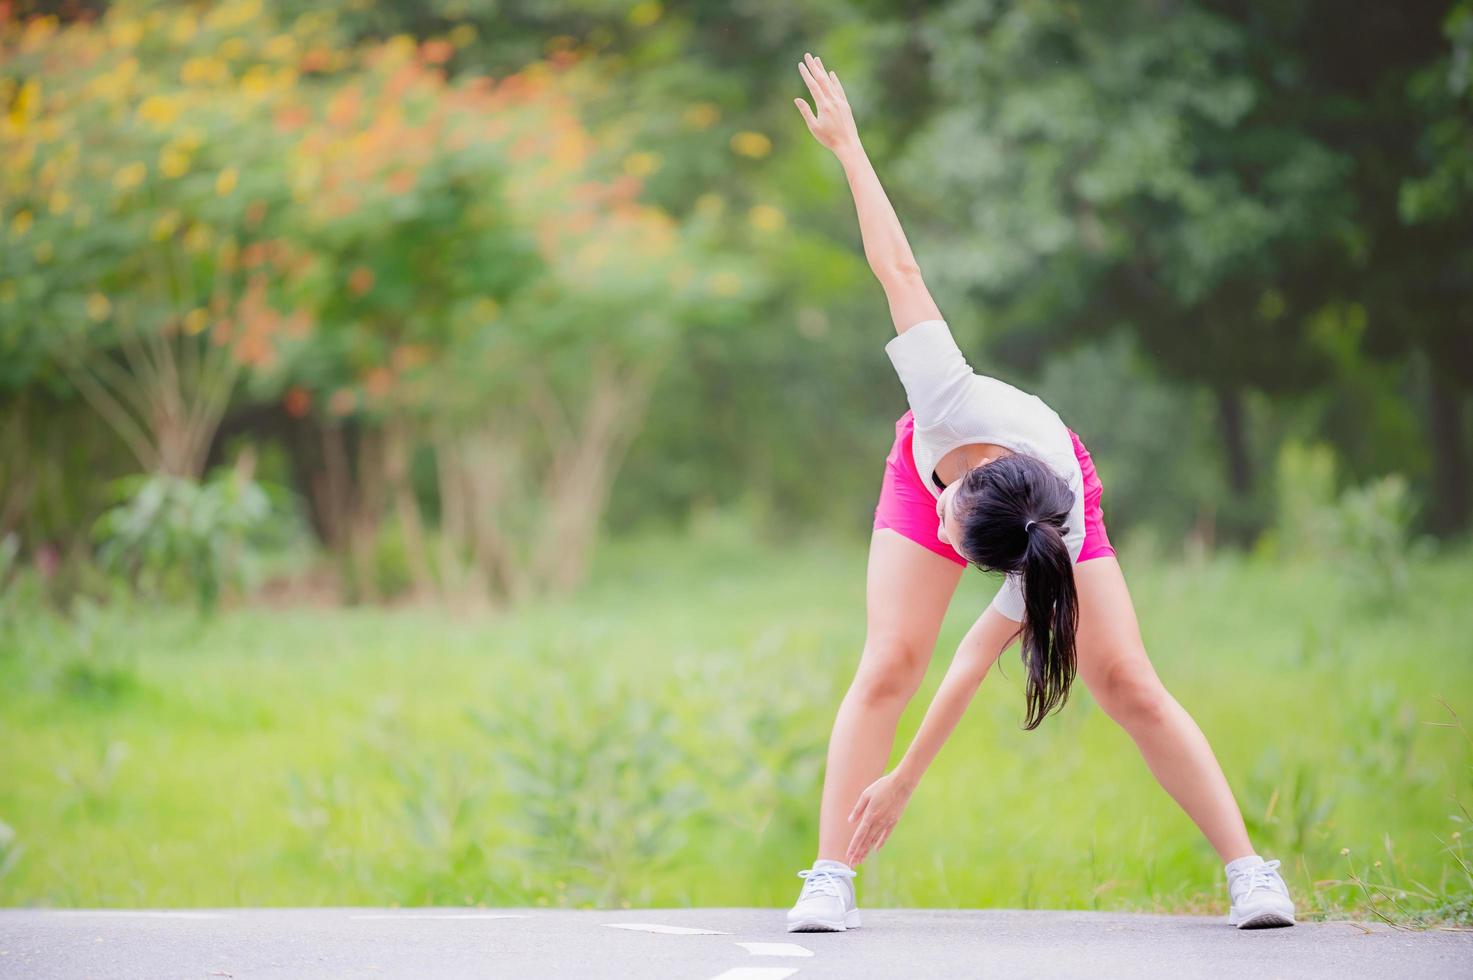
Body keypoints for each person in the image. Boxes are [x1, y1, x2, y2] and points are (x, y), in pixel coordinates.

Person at [784, 52, 1296, 933]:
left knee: (1125, 678)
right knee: (888, 662)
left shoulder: (1045, 528)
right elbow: (897, 271)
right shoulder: (943, 394)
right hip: (929, 463)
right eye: (955, 536)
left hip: (1048, 499)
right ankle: (829, 876)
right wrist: (849, 149)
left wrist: (907, 781)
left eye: (962, 553)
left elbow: (974, 662)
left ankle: (1250, 872)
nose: (950, 547)